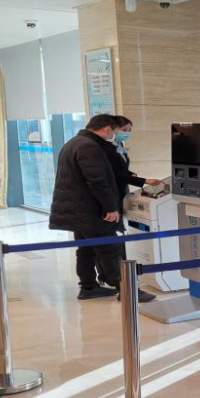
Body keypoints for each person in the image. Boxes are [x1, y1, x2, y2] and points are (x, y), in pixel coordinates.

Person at [48, 114, 127, 301]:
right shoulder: (89, 146)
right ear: (106, 129)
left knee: (86, 250)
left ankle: (88, 287)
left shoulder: (73, 142)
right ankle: (125, 288)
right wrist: (110, 207)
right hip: (89, 210)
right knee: (109, 248)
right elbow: (97, 181)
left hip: (77, 210)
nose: (113, 136)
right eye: (114, 132)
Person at [101, 115, 160, 303]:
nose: (127, 133)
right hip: (112, 199)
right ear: (113, 129)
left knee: (111, 243)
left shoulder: (116, 146)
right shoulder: (104, 148)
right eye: (124, 130)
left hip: (118, 195)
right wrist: (143, 180)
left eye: (129, 130)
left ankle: (110, 278)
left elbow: (121, 171)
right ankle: (125, 285)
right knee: (116, 243)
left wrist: (130, 175)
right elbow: (115, 175)